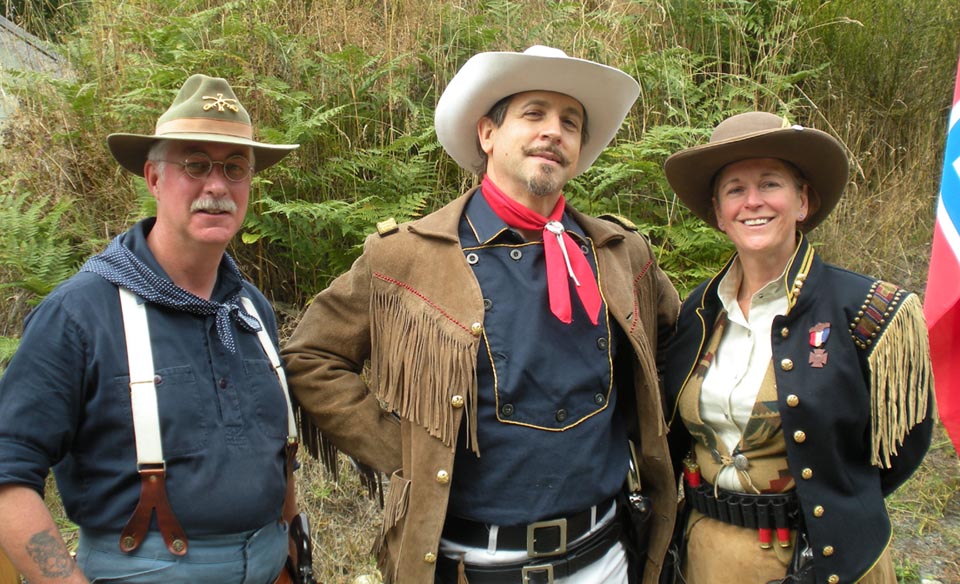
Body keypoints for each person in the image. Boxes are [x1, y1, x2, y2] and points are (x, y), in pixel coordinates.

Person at [282, 45, 680, 584]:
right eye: (534, 114)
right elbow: (311, 357)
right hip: (471, 566)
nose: (554, 131)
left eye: (570, 122)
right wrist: (409, 452)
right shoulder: (408, 257)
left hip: (606, 559)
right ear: (487, 134)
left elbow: (675, 352)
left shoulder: (621, 252)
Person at [0, 74, 301, 583]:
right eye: (196, 165)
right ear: (154, 179)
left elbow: (278, 460)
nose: (217, 186)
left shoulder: (251, 311)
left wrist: (290, 553)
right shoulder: (79, 315)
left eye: (235, 168)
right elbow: (8, 472)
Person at [660, 111, 934, 584]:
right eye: (735, 190)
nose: (752, 201)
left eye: (770, 184)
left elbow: (900, 448)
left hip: (824, 564)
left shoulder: (870, 312)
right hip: (707, 557)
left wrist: (835, 506)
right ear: (719, 214)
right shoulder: (697, 312)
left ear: (802, 200)